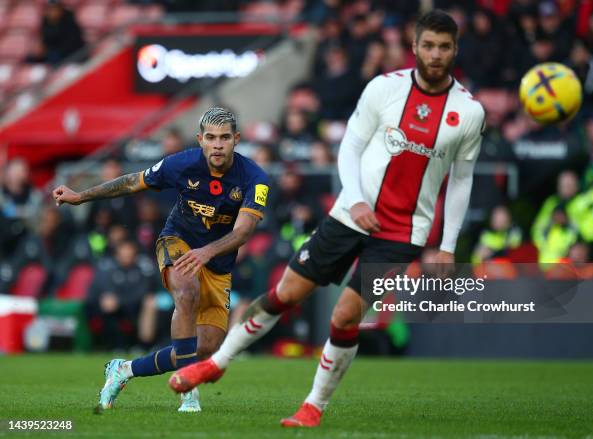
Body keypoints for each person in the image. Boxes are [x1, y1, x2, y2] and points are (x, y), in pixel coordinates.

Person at [169, 10, 485, 427]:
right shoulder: (384, 89)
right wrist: (354, 201)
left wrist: (446, 247)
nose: (436, 54)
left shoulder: (468, 111)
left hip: (403, 233)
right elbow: (349, 148)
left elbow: (461, 181)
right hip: (348, 216)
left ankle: (313, 406)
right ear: (415, 47)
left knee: (345, 316)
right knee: (285, 294)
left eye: (444, 46)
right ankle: (217, 363)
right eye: (428, 45)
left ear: (455, 49)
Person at [52, 107, 270, 412]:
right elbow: (131, 182)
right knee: (186, 290)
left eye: (224, 138)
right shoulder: (180, 164)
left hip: (217, 264)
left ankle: (124, 370)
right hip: (177, 242)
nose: (217, 144)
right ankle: (188, 391)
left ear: (236, 139)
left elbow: (244, 232)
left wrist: (207, 252)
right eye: (210, 137)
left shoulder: (255, 179)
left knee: (205, 348)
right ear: (200, 139)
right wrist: (81, 196)